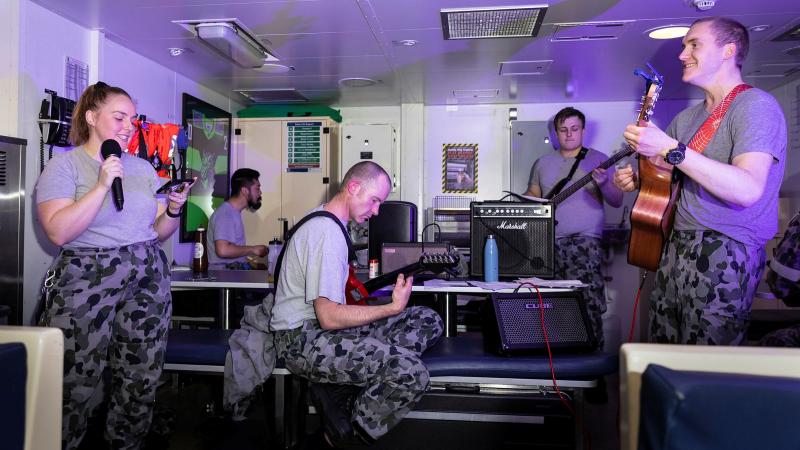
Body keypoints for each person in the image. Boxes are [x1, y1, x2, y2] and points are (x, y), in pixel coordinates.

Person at [34, 81, 193, 449]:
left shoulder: (142, 168)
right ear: (92, 117)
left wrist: (173, 209)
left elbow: (157, 231)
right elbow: (58, 232)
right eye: (119, 117)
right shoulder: (64, 166)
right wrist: (102, 185)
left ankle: (126, 443)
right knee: (73, 378)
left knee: (141, 375)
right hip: (88, 275)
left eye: (132, 120)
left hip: (147, 272)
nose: (128, 127)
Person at [613, 17, 787, 345]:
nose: (682, 54)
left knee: (706, 358)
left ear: (728, 51)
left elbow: (748, 188)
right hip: (676, 245)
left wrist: (670, 148)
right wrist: (639, 178)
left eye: (694, 44)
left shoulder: (755, 106)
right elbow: (676, 175)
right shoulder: (686, 119)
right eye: (684, 46)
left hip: (726, 246)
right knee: (664, 353)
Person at [270, 161, 443, 446]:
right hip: (303, 341)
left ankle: (344, 389)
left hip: (324, 331)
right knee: (412, 373)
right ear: (353, 187)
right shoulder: (326, 233)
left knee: (427, 319)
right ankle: (342, 433)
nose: (376, 211)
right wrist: (391, 308)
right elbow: (329, 317)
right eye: (374, 200)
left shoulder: (330, 222)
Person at [525, 106, 623, 347]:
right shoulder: (542, 163)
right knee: (553, 305)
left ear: (583, 131)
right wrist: (520, 202)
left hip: (585, 243)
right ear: (556, 132)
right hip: (549, 244)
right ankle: (560, 359)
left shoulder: (599, 159)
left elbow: (616, 199)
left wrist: (604, 183)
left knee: (586, 303)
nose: (569, 134)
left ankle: (592, 360)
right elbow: (533, 195)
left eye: (574, 129)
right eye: (563, 129)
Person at [207, 168, 267, 269]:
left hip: (231, 275)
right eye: (257, 188)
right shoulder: (226, 214)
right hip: (224, 277)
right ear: (245, 191)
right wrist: (253, 249)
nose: (260, 193)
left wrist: (251, 264)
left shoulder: (233, 212)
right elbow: (222, 250)